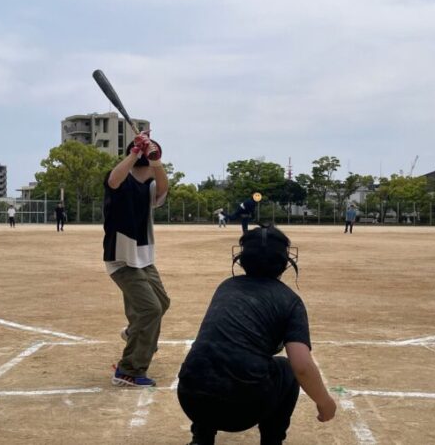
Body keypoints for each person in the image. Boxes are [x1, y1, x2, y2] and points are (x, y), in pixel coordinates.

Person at [177, 225, 336, 445]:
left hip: (190, 399)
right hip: (245, 409)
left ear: (242, 260)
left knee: (212, 355)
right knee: (287, 369)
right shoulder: (289, 300)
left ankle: (201, 440)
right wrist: (324, 402)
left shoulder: (227, 287)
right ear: (284, 262)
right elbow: (301, 365)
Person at [103, 131, 170, 388]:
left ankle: (134, 333)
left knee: (161, 303)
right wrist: (135, 153)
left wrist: (155, 160)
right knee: (150, 310)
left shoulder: (149, 186)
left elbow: (163, 188)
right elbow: (113, 180)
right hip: (122, 258)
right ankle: (128, 370)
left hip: (144, 258)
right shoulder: (122, 181)